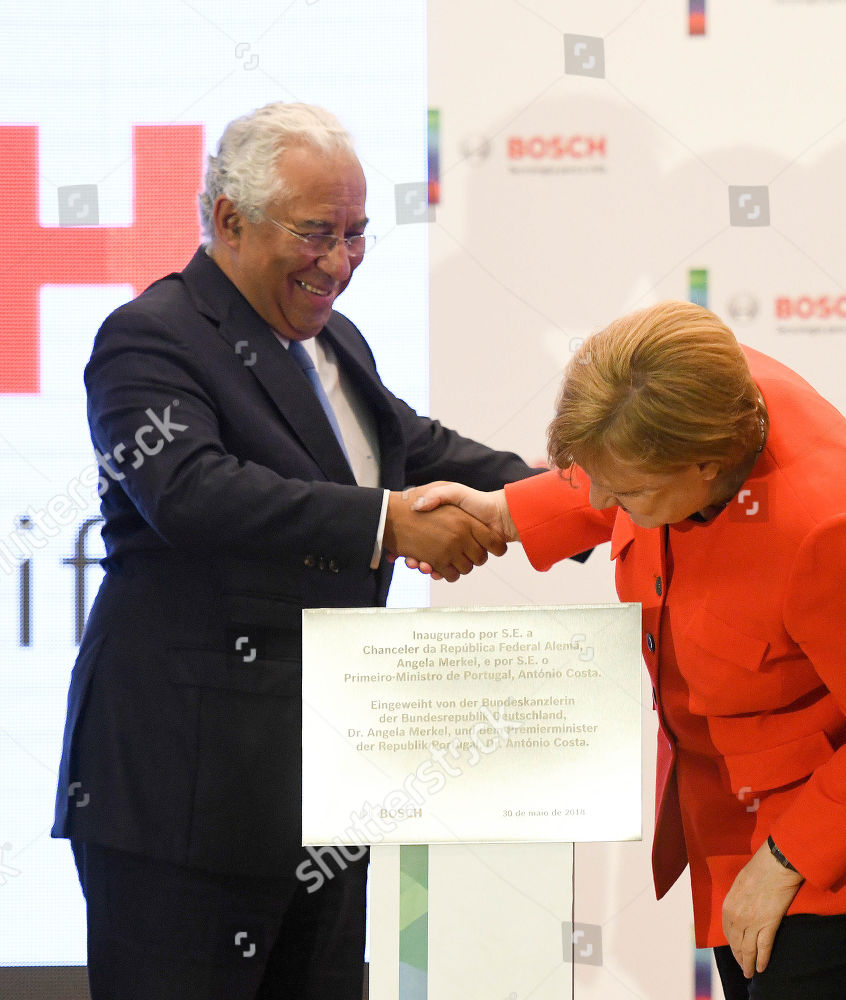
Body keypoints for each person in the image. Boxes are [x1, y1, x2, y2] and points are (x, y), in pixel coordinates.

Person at [51, 102, 545, 1000]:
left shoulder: (332, 338)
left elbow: (419, 449)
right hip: (183, 804)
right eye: (318, 233)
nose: (341, 262)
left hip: (323, 796)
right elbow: (191, 494)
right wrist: (390, 525)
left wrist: (579, 501)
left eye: (358, 234)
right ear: (229, 221)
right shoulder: (150, 336)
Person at [407, 301, 846, 1000]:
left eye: (627, 491)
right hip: (747, 785)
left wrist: (788, 857)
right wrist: (504, 513)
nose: (603, 498)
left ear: (706, 466)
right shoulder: (697, 387)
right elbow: (623, 455)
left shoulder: (833, 532)